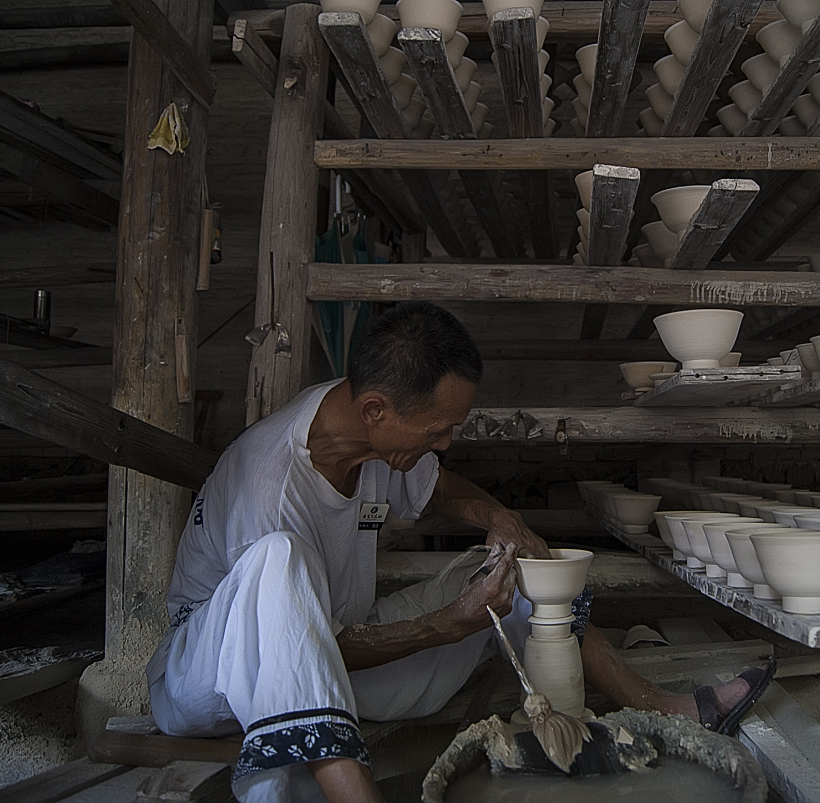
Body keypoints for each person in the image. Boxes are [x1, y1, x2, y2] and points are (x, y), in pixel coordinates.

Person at [146, 301, 772, 803]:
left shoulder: (368, 435)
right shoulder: (269, 485)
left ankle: (660, 705)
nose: (445, 444)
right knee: (277, 560)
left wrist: (498, 518)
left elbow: (439, 486)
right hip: (213, 681)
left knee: (511, 568)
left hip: (341, 663)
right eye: (437, 431)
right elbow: (294, 647)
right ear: (376, 410)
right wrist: (444, 627)